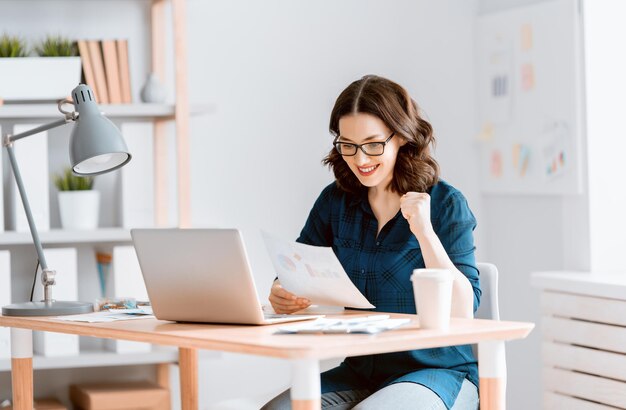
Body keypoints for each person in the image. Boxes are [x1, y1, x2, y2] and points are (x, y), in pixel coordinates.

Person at [262, 75, 480, 410]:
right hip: (361, 370)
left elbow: (464, 309)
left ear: (402, 137)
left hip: (437, 371)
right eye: (348, 145)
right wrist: (282, 291)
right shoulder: (335, 202)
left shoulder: (446, 203)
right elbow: (296, 265)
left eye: (373, 144)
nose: (360, 159)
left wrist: (424, 231)